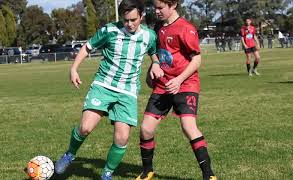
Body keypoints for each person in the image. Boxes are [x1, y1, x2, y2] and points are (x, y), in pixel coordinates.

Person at [54, 0, 164, 179]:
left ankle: (107, 173)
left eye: (133, 20)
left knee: (122, 139)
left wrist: (156, 63)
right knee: (85, 127)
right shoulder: (110, 30)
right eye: (125, 20)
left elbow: (152, 51)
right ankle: (69, 154)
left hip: (127, 92)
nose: (129, 24)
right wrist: (74, 69)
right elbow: (87, 47)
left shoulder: (149, 36)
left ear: (142, 16)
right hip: (104, 85)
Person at [135, 0, 217, 180]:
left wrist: (179, 80)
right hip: (162, 85)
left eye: (160, 8)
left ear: (173, 6)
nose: (156, 11)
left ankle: (208, 175)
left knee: (188, 127)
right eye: (154, 7)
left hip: (186, 84)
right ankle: (147, 170)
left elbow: (197, 60)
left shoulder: (185, 28)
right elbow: (156, 52)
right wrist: (152, 69)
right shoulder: (157, 28)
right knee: (146, 129)